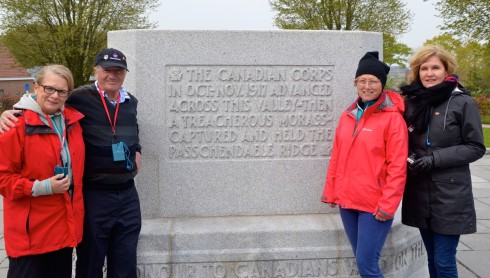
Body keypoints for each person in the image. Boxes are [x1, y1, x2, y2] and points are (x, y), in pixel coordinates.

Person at [0, 48, 142, 277]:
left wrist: (138, 152)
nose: (112, 75)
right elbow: (40, 105)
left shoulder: (127, 103)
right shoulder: (79, 99)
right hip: (89, 196)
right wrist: (11, 112)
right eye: (107, 70)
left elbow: (133, 132)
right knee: (90, 263)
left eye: (118, 70)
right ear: (96, 71)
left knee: (125, 263)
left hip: (118, 198)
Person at [401, 45, 486, 277]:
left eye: (435, 67)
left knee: (444, 260)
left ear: (446, 69)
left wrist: (433, 159)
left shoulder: (462, 103)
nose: (429, 73)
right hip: (419, 191)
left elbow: (475, 147)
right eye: (424, 68)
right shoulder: (411, 102)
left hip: (450, 194)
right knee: (431, 258)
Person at [321, 51, 408, 277]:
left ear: (382, 84)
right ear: (355, 82)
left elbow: (398, 167)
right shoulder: (347, 116)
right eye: (362, 80)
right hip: (347, 203)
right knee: (362, 260)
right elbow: (337, 158)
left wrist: (388, 205)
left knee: (367, 264)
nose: (367, 86)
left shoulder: (392, 118)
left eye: (373, 81)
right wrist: (331, 191)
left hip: (374, 205)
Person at [0, 65, 85, 278]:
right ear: (36, 87)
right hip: (30, 235)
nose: (55, 96)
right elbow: (2, 179)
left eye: (62, 91)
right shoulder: (15, 124)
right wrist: (41, 187)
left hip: (63, 229)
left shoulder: (73, 122)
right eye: (49, 88)